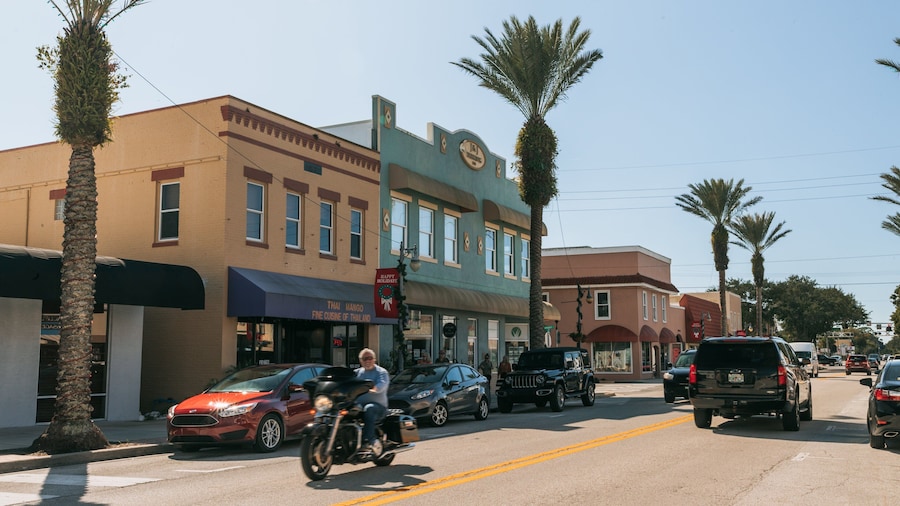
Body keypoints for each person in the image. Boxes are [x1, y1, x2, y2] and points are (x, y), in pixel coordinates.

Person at [354, 348, 389, 453]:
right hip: (359, 406)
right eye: (365, 358)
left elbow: (382, 384)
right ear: (360, 361)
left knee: (369, 409)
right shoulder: (356, 373)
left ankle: (368, 441)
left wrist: (374, 389)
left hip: (378, 407)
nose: (367, 361)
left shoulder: (381, 372)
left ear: (374, 359)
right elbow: (347, 382)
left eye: (370, 358)